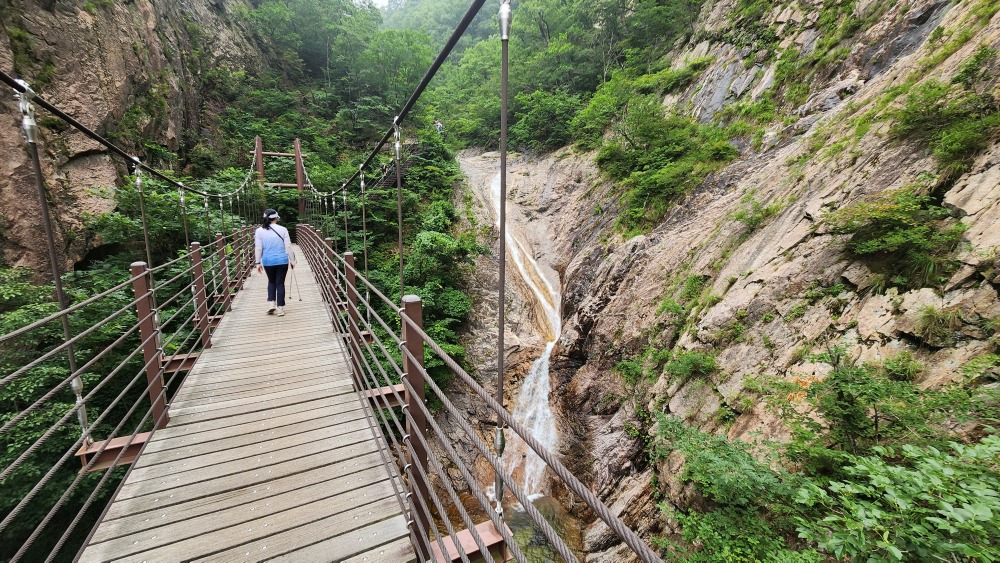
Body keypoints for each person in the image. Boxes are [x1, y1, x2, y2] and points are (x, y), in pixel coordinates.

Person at [254, 208, 295, 316]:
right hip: (282, 260)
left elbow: (258, 248)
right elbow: (288, 246)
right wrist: (293, 260)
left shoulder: (259, 231)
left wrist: (257, 263)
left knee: (271, 281)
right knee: (280, 283)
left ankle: (271, 304)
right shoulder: (283, 229)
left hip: (268, 261)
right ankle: (280, 308)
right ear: (276, 218)